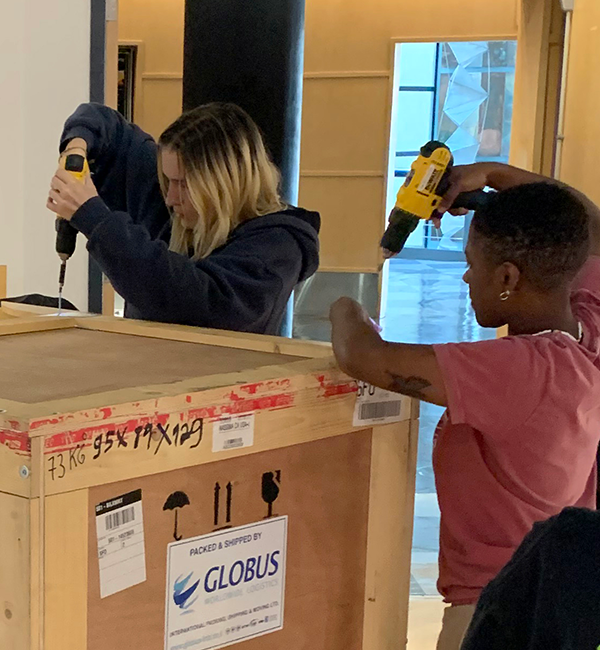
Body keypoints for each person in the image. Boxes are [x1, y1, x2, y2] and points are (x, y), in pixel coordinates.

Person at [329, 163, 600, 650]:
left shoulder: (523, 371)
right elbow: (587, 223)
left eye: (472, 263)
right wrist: (492, 174)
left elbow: (362, 356)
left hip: (500, 614)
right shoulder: (588, 322)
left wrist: (345, 305)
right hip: (562, 600)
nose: (466, 277)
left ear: (508, 277)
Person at [47, 103, 320, 334]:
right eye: (168, 180)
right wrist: (76, 149)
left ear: (224, 183)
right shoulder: (176, 208)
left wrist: (93, 218)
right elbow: (102, 121)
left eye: (184, 183)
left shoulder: (277, 248)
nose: (170, 197)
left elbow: (190, 300)